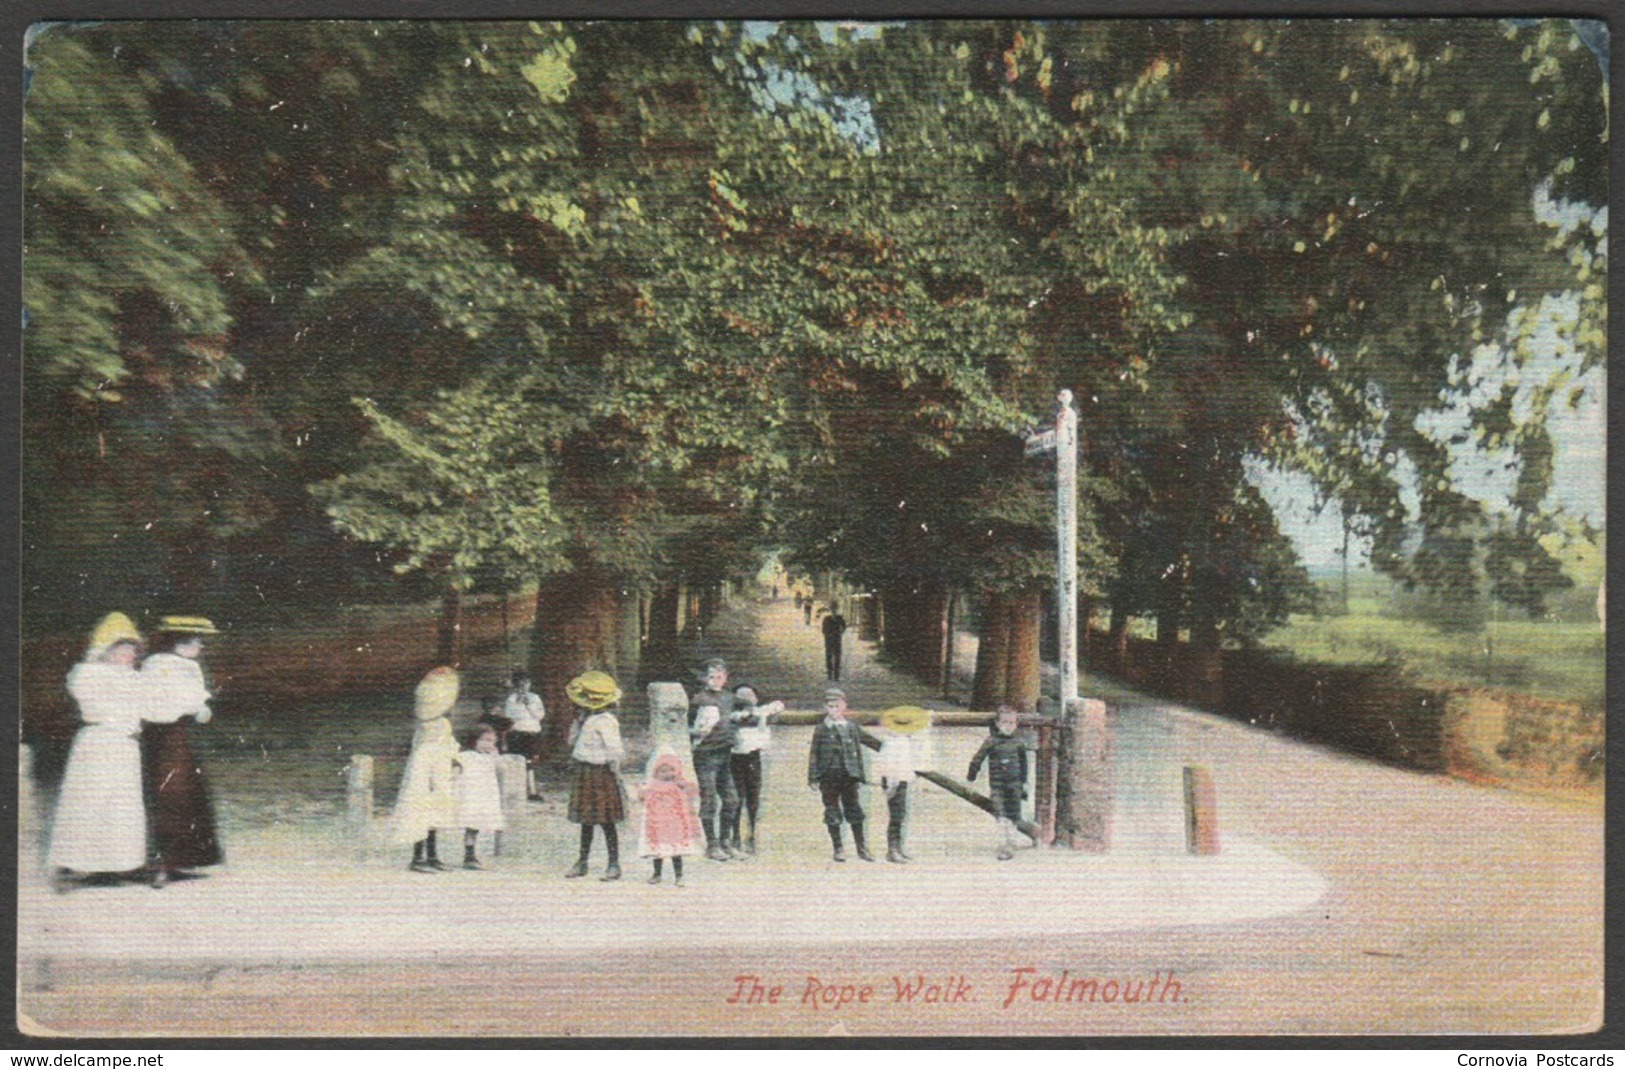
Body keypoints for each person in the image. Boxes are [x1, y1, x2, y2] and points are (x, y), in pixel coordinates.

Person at [46, 613, 151, 891]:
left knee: (122, 806)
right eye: (121, 649)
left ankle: (121, 862)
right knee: (90, 803)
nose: (128, 655)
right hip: (99, 746)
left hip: (125, 748)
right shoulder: (91, 675)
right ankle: (75, 863)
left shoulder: (134, 677)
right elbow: (100, 705)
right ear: (106, 651)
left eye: (132, 650)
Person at [140, 615, 225, 887]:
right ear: (180, 642)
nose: (200, 647)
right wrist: (199, 709)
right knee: (173, 795)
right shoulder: (174, 667)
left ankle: (175, 861)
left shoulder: (160, 664)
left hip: (164, 736)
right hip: (168, 736)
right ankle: (163, 863)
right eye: (196, 641)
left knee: (178, 794)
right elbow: (184, 704)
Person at [391, 666, 463, 873]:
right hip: (426, 775)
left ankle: (432, 856)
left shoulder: (435, 724)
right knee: (422, 814)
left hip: (435, 773)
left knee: (435, 815)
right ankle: (418, 858)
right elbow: (426, 752)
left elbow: (445, 746)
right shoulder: (432, 725)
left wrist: (451, 762)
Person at [564, 670, 625, 881]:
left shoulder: (606, 721)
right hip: (585, 772)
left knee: (606, 820)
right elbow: (572, 743)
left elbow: (614, 750)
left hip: (601, 774)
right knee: (586, 821)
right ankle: (582, 862)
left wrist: (615, 772)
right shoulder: (587, 721)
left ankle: (614, 864)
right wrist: (578, 722)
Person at [807, 686, 873, 862]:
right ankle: (838, 848)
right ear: (825, 708)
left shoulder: (851, 727)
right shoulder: (821, 729)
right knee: (832, 811)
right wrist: (813, 777)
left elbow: (859, 751)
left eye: (837, 706)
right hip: (828, 776)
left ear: (844, 706)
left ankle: (862, 848)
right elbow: (814, 753)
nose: (834, 710)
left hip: (848, 776)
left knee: (854, 809)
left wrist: (859, 775)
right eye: (830, 706)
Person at [688, 657, 741, 861]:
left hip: (725, 754)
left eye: (719, 676)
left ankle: (725, 841)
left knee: (732, 799)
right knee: (709, 800)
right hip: (705, 755)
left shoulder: (729, 697)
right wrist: (697, 731)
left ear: (726, 678)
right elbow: (688, 726)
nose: (715, 680)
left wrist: (766, 710)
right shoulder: (699, 699)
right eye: (711, 676)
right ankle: (712, 844)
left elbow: (748, 709)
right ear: (704, 679)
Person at [725, 683, 785, 856]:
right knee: (737, 797)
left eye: (750, 695)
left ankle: (751, 834)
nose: (746, 698)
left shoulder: (761, 712)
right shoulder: (732, 715)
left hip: (753, 758)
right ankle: (735, 834)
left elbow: (778, 705)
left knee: (753, 798)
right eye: (741, 695)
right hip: (735, 758)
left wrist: (760, 712)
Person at [967, 706, 1029, 861]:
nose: (1008, 726)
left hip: (1015, 785)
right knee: (1000, 815)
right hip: (997, 785)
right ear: (996, 723)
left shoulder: (1019, 742)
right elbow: (977, 759)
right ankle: (1003, 846)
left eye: (1011, 723)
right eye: (1004, 722)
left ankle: (1011, 843)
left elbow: (1024, 763)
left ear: (1016, 724)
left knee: (1014, 814)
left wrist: (1024, 782)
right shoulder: (991, 741)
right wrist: (971, 778)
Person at [875, 705, 931, 864]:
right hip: (894, 780)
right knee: (896, 815)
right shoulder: (893, 742)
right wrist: (891, 784)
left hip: (901, 779)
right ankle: (892, 849)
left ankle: (898, 847)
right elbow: (886, 765)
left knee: (901, 815)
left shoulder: (904, 740)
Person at [637, 749, 701, 886]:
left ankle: (679, 876)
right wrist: (641, 789)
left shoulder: (678, 784)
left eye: (671, 770)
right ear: (656, 772)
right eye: (663, 771)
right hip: (657, 823)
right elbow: (641, 796)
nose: (667, 774)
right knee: (658, 852)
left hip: (674, 824)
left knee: (676, 852)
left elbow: (693, 792)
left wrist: (684, 784)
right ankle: (657, 874)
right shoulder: (652, 785)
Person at [455, 724, 505, 870]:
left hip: (485, 795)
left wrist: (496, 756)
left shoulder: (490, 757)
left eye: (492, 741)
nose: (489, 744)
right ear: (474, 740)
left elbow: (502, 769)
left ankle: (471, 855)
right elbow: (457, 773)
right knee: (470, 823)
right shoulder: (465, 756)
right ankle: (468, 855)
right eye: (485, 740)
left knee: (476, 826)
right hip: (470, 795)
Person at [503, 670, 546, 800]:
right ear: (516, 685)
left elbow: (540, 715)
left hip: (532, 733)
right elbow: (510, 716)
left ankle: (532, 791)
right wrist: (519, 702)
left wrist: (529, 704)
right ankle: (517, 791)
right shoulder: (512, 699)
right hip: (517, 733)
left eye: (527, 683)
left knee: (531, 762)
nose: (524, 686)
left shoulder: (535, 698)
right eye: (520, 683)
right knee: (517, 762)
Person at [821, 605, 848, 680]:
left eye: (835, 610)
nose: (834, 612)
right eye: (832, 610)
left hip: (836, 639)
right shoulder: (827, 619)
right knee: (829, 656)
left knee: (837, 657)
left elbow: (844, 627)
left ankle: (836, 674)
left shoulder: (839, 618)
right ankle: (829, 673)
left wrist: (840, 632)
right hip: (829, 640)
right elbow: (823, 630)